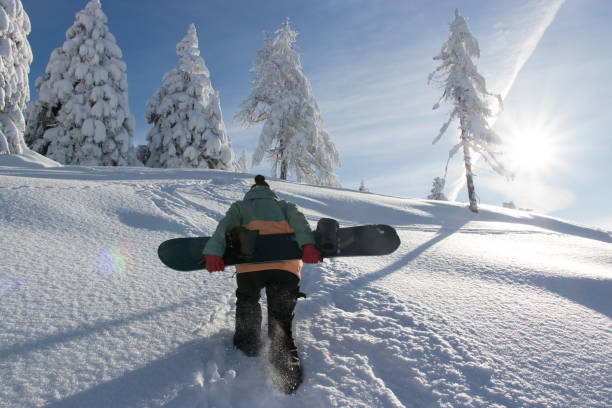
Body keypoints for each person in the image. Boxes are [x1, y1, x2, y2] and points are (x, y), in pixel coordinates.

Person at [202, 175, 321, 393]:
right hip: (284, 268)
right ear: (269, 192)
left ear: (252, 191)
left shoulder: (240, 207)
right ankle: (285, 365)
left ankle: (247, 343)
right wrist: (308, 245)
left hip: (250, 268)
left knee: (248, 300)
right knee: (280, 317)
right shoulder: (285, 206)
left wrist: (213, 252)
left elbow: (224, 227)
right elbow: (301, 224)